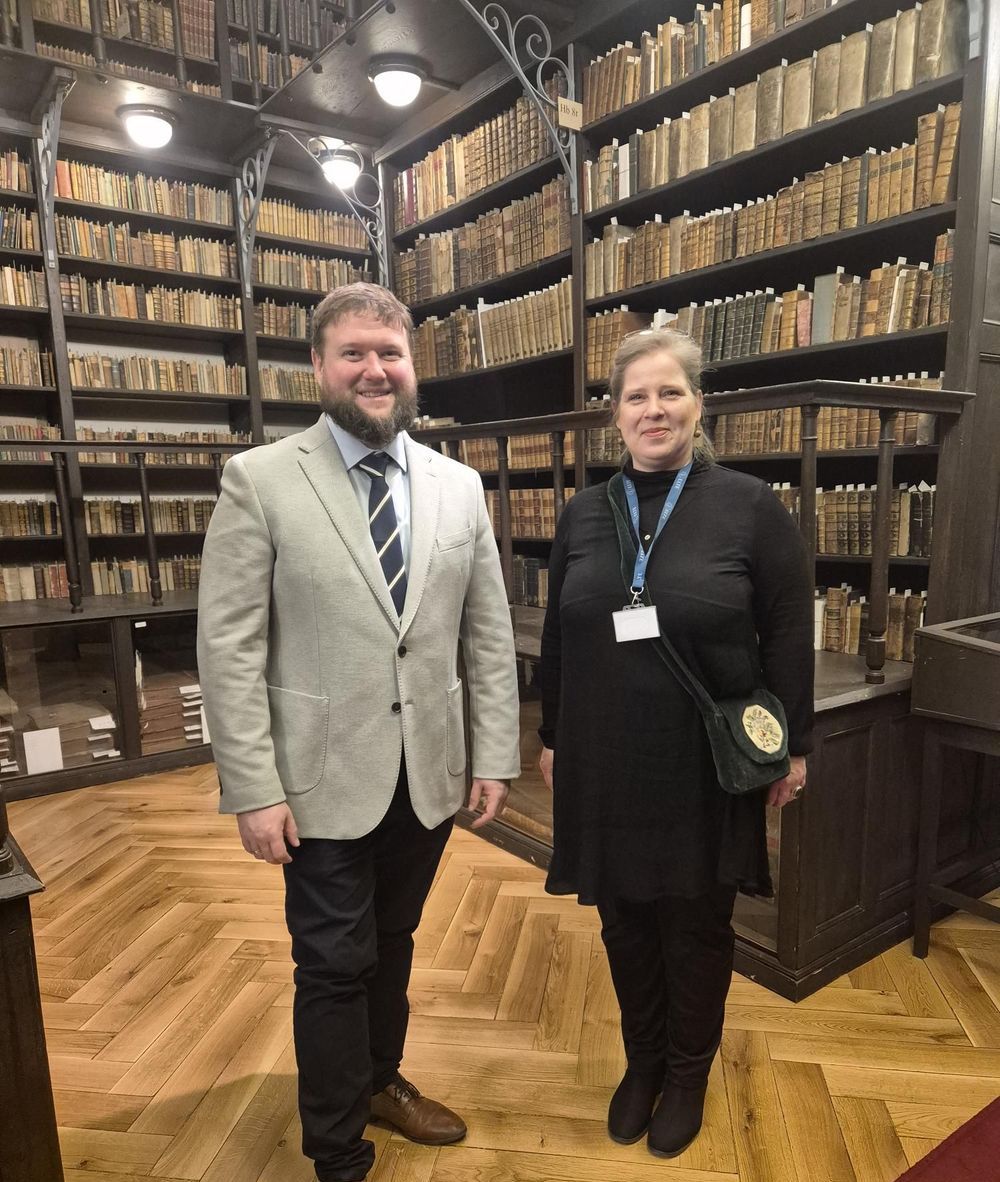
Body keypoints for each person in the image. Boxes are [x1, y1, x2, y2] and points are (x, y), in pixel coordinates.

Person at [197, 281, 521, 1182]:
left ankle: (383, 1080)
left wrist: (492, 751)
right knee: (334, 964)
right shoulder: (260, 479)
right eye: (355, 353)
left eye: (390, 353)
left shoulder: (458, 487)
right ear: (318, 366)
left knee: (396, 941)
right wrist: (252, 787)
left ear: (411, 367)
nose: (375, 369)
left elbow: (485, 631)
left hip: (428, 775)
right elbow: (228, 646)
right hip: (316, 780)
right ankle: (338, 1149)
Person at [537, 327, 814, 1159]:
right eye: (636, 396)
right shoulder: (583, 513)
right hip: (605, 759)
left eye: (670, 393)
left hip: (702, 764)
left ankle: (688, 1072)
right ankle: (643, 1060)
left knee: (695, 926)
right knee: (624, 924)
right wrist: (551, 737)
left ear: (698, 405)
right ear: (613, 416)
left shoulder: (750, 506)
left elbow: (791, 631)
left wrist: (793, 748)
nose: (653, 410)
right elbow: (559, 634)